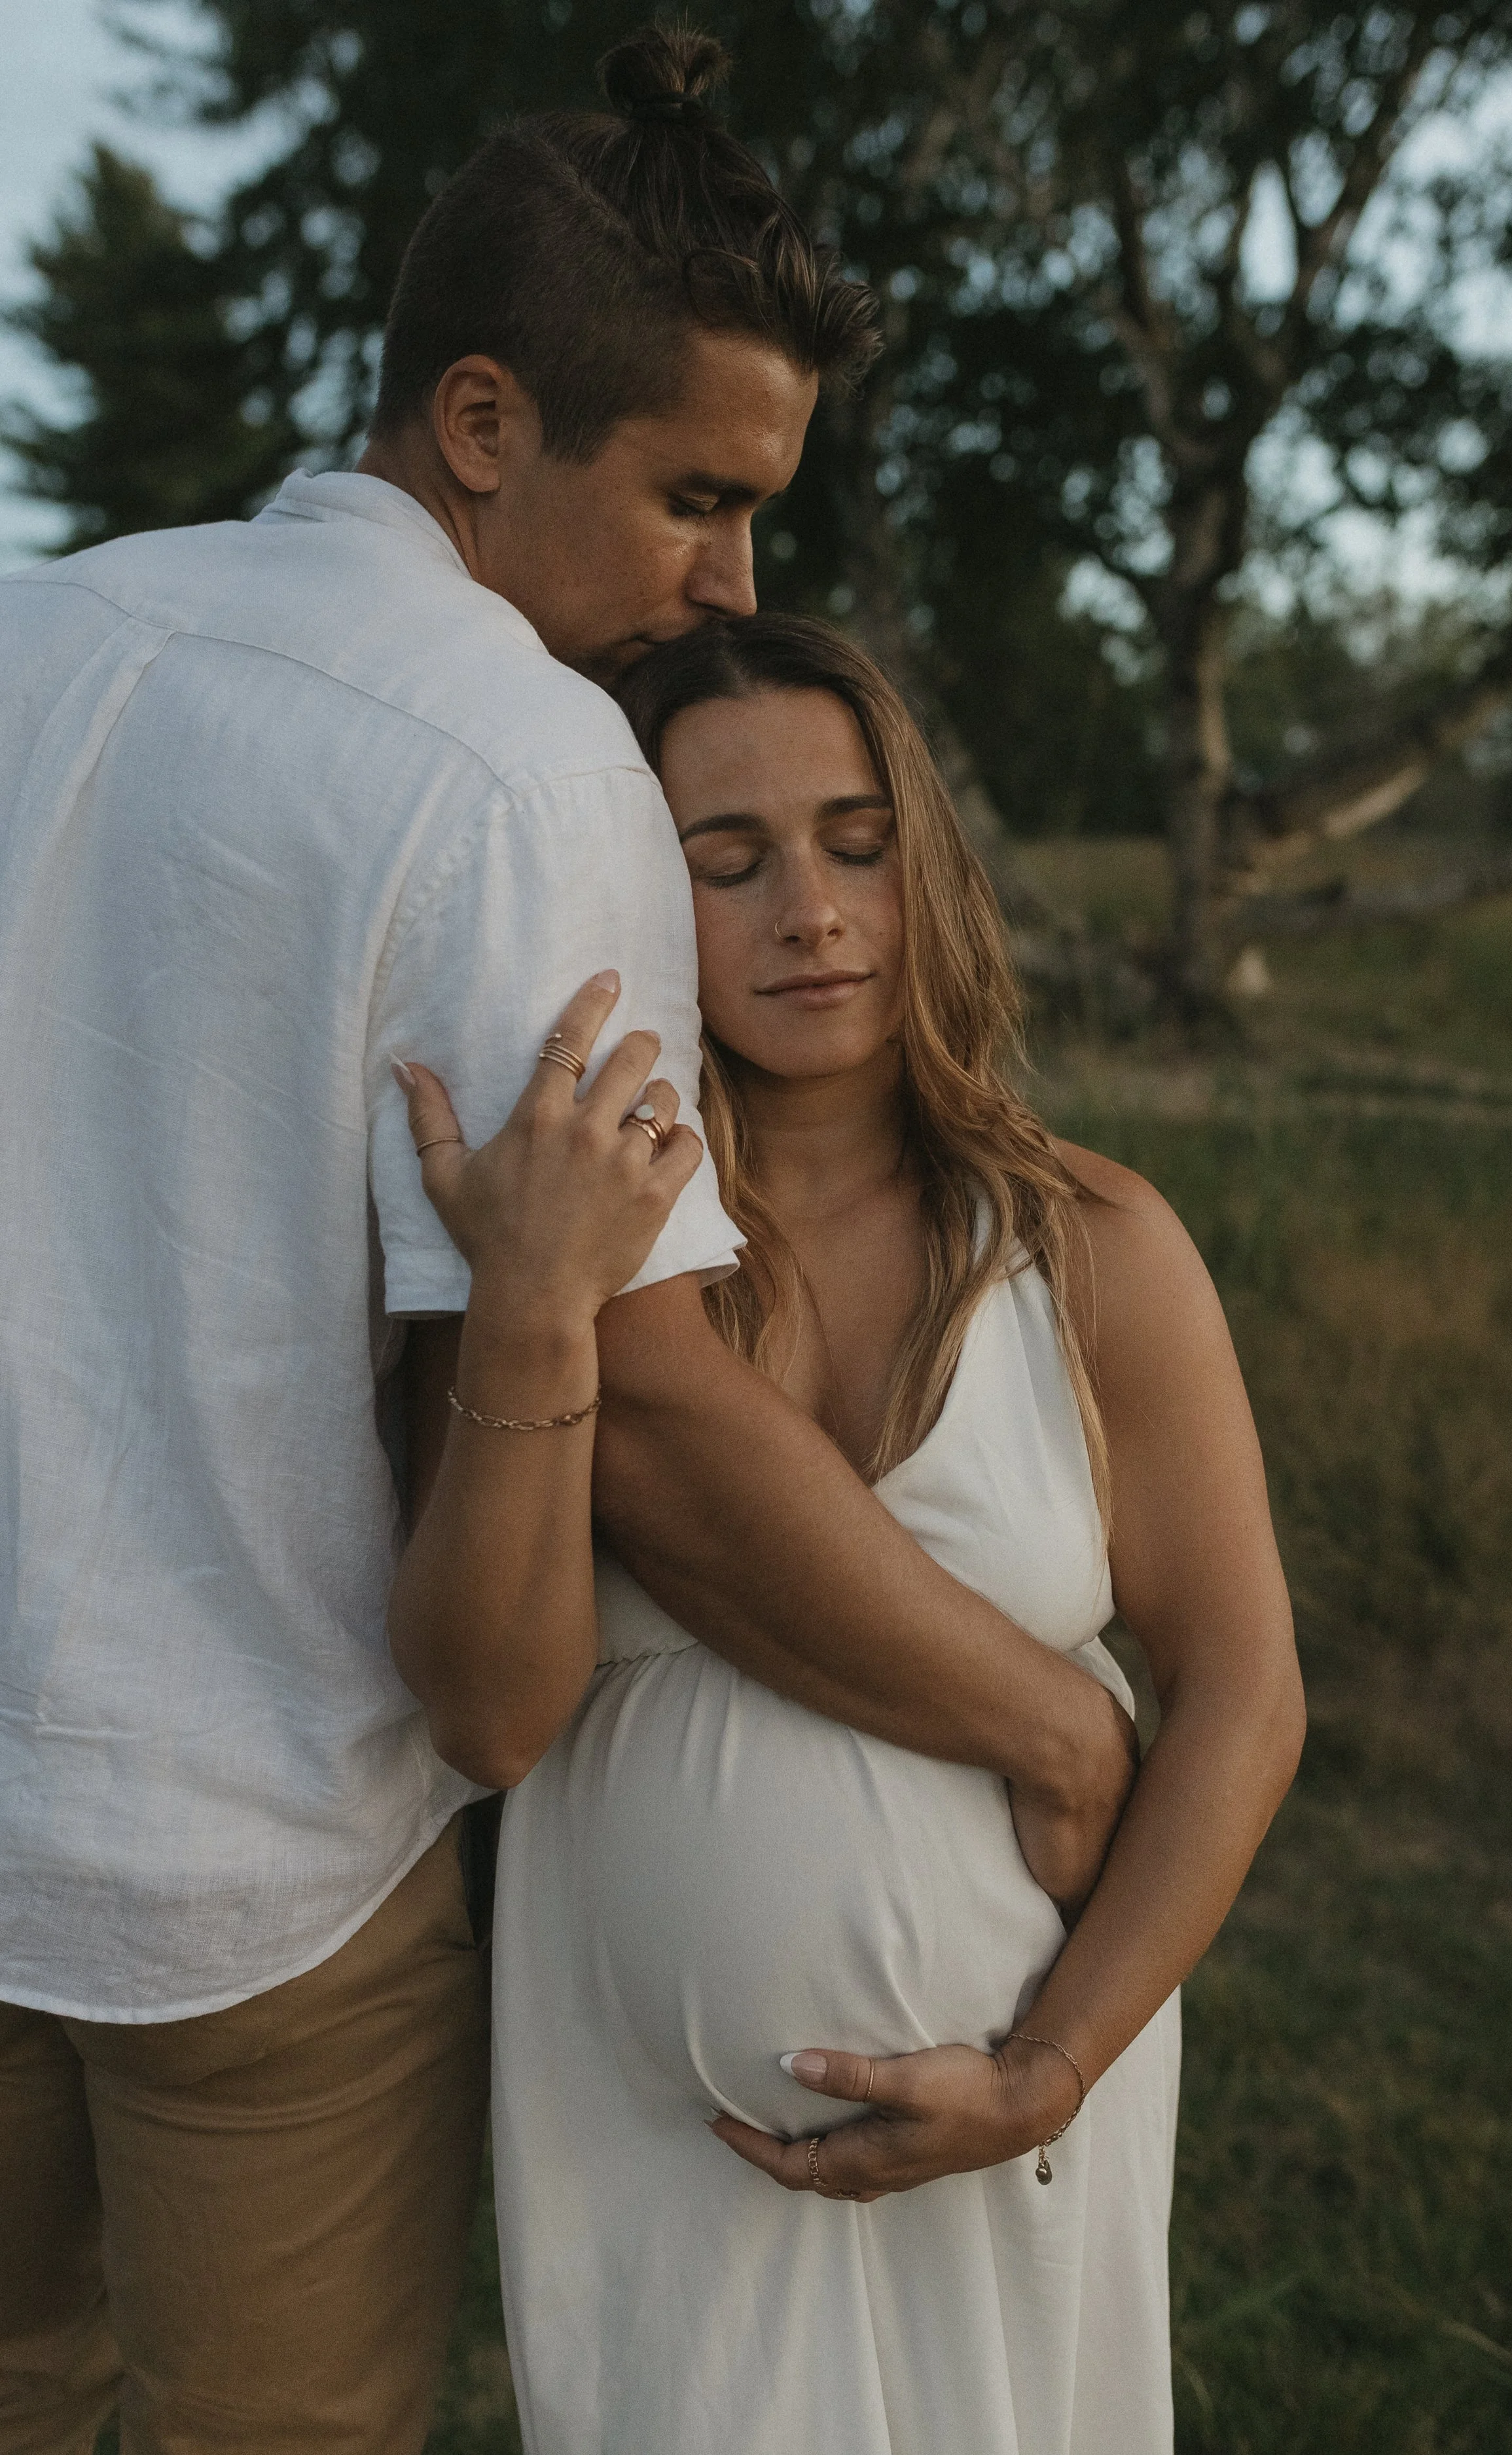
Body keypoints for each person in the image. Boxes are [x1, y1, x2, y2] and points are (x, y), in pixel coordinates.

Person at [0, 29, 1136, 2454]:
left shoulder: (36, 637)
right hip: (253, 1886)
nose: (735, 582)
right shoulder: (522, 764)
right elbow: (651, 1430)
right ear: (485, 422)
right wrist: (1055, 1716)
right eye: (702, 500)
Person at [397, 614, 1306, 2454]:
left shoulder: (1094, 1246)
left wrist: (1045, 2068)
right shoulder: (555, 1252)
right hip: (662, 2152)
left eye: (856, 841)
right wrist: (528, 1308)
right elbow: (481, 1707)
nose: (809, 909)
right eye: (721, 863)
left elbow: (1241, 1692)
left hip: (1026, 2118)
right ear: (624, 901)